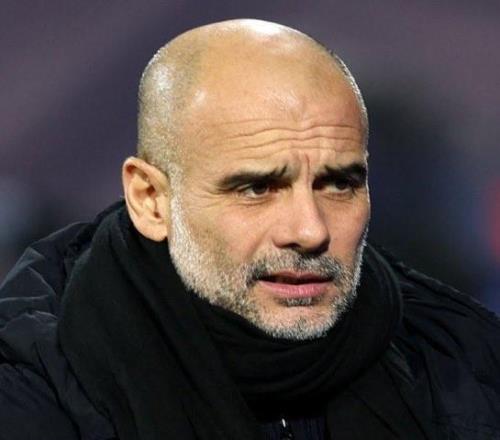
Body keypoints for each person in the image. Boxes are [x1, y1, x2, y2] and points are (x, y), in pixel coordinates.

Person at [0, 19, 499, 440]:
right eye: (257, 188)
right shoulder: (30, 393)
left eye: (338, 184)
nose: (310, 231)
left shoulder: (465, 366)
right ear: (150, 200)